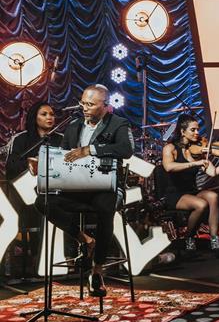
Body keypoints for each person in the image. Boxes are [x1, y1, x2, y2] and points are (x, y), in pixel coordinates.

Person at [34, 84, 134, 297]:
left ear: (105, 106)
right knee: (43, 202)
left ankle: (97, 271)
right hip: (76, 187)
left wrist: (91, 149)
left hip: (104, 187)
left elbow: (126, 150)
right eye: (83, 103)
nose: (84, 108)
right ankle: (85, 240)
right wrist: (43, 165)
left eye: (90, 104)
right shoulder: (74, 126)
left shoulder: (118, 123)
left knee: (105, 208)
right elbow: (64, 157)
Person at [161, 114, 219, 258]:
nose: (197, 133)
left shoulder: (197, 151)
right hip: (175, 194)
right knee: (201, 204)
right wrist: (194, 164)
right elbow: (169, 167)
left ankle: (214, 242)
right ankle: (189, 239)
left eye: (198, 129)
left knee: (213, 196)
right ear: (182, 131)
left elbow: (213, 172)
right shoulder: (170, 148)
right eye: (193, 130)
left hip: (191, 192)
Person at [5, 102, 62, 269]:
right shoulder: (21, 139)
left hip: (56, 190)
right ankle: (34, 258)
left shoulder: (61, 139)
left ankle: (62, 256)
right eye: (44, 114)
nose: (49, 117)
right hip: (28, 194)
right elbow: (10, 168)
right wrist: (30, 164)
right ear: (34, 117)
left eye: (51, 114)